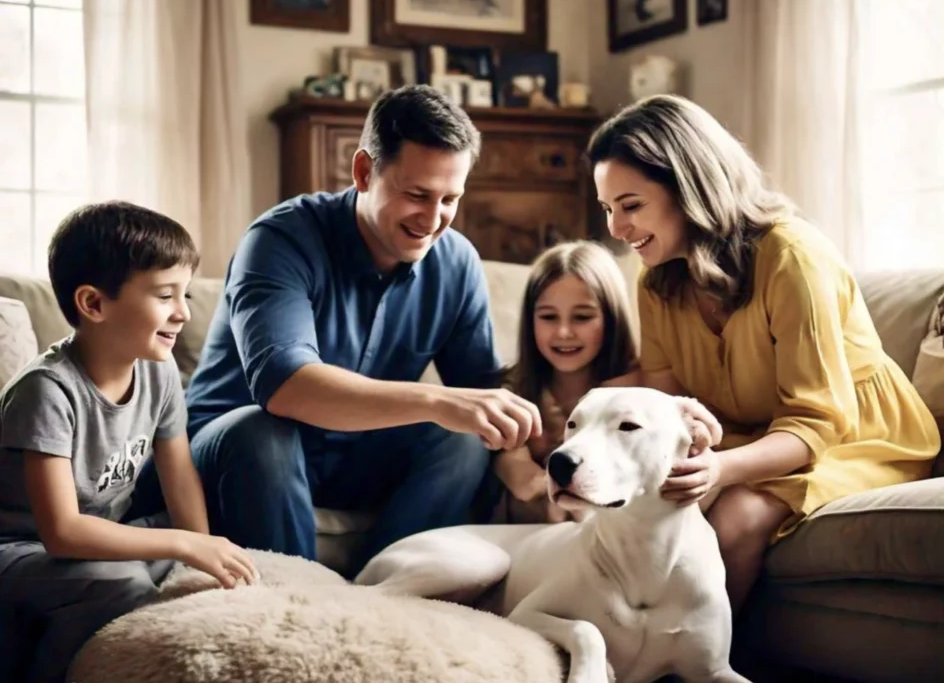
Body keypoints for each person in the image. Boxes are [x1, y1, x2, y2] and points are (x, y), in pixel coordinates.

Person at [588, 94, 941, 614]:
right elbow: (662, 389)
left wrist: (721, 469)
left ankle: (703, 666)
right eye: (608, 209)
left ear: (689, 188)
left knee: (736, 516)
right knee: (642, 505)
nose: (616, 230)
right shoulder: (656, 280)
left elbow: (816, 421)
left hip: (857, 437)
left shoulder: (792, 258)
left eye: (631, 206)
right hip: (753, 432)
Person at [176, 85, 542, 575]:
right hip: (238, 453)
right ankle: (296, 601)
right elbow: (285, 388)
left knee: (462, 439)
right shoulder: (281, 238)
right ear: (364, 171)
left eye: (449, 199)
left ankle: (387, 591)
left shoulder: (457, 264)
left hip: (358, 456)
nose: (433, 220)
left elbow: (481, 392)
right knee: (261, 431)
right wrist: (437, 401)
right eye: (416, 195)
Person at [0, 202, 257, 683]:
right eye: (165, 295)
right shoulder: (47, 391)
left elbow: (180, 481)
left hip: (94, 538)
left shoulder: (158, 374)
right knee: (121, 580)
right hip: (21, 547)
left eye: (184, 293)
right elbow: (62, 533)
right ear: (93, 304)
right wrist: (183, 544)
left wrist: (200, 552)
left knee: (214, 547)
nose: (183, 311)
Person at [490, 240, 639, 524]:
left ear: (612, 318)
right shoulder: (513, 390)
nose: (564, 332)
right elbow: (518, 475)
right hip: (529, 540)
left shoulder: (637, 390)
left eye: (582, 317)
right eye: (548, 317)